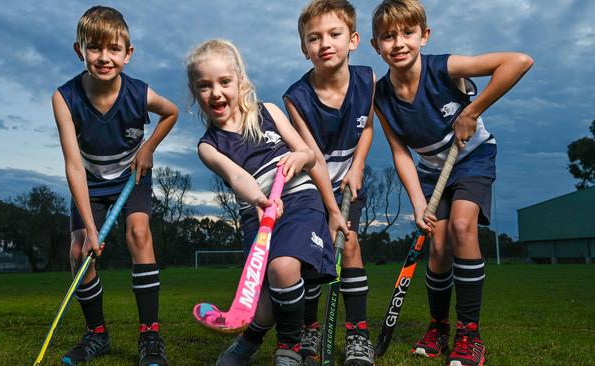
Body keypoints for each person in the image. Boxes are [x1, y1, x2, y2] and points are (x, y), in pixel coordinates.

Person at [370, 1, 533, 365]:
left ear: (424, 36)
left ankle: (469, 334)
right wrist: (417, 204)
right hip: (430, 172)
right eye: (388, 36)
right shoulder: (379, 96)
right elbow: (400, 153)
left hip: (472, 159)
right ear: (375, 45)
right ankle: (438, 326)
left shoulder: (444, 67)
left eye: (407, 33)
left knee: (462, 226)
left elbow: (519, 61)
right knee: (439, 247)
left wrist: (471, 112)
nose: (398, 43)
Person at [186, 39, 337, 366]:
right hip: (256, 213)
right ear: (194, 92)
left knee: (283, 268)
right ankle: (251, 339)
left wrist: (299, 155)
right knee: (265, 293)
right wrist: (258, 198)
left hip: (298, 199)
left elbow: (309, 154)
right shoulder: (208, 146)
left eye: (225, 82)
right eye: (205, 86)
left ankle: (289, 348)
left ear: (240, 81)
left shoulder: (269, 111)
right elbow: (238, 177)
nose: (216, 92)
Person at [52, 6, 179, 366]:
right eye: (94, 48)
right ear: (80, 50)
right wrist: (90, 230)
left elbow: (171, 112)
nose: (104, 57)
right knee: (79, 251)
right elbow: (73, 163)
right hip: (89, 180)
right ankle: (97, 334)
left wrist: (148, 148)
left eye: (113, 49)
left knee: (139, 233)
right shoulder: (64, 97)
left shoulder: (139, 93)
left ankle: (150, 336)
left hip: (131, 174)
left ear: (128, 53)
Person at [283, 1, 376, 364]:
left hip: (346, 180)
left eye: (335, 34)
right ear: (305, 49)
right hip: (309, 185)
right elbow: (314, 157)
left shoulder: (368, 80)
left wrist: (359, 165)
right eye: (314, 38)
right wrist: (332, 209)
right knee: (311, 255)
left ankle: (357, 336)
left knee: (349, 246)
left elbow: (367, 126)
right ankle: (309, 330)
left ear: (352, 40)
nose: (325, 43)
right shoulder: (296, 97)